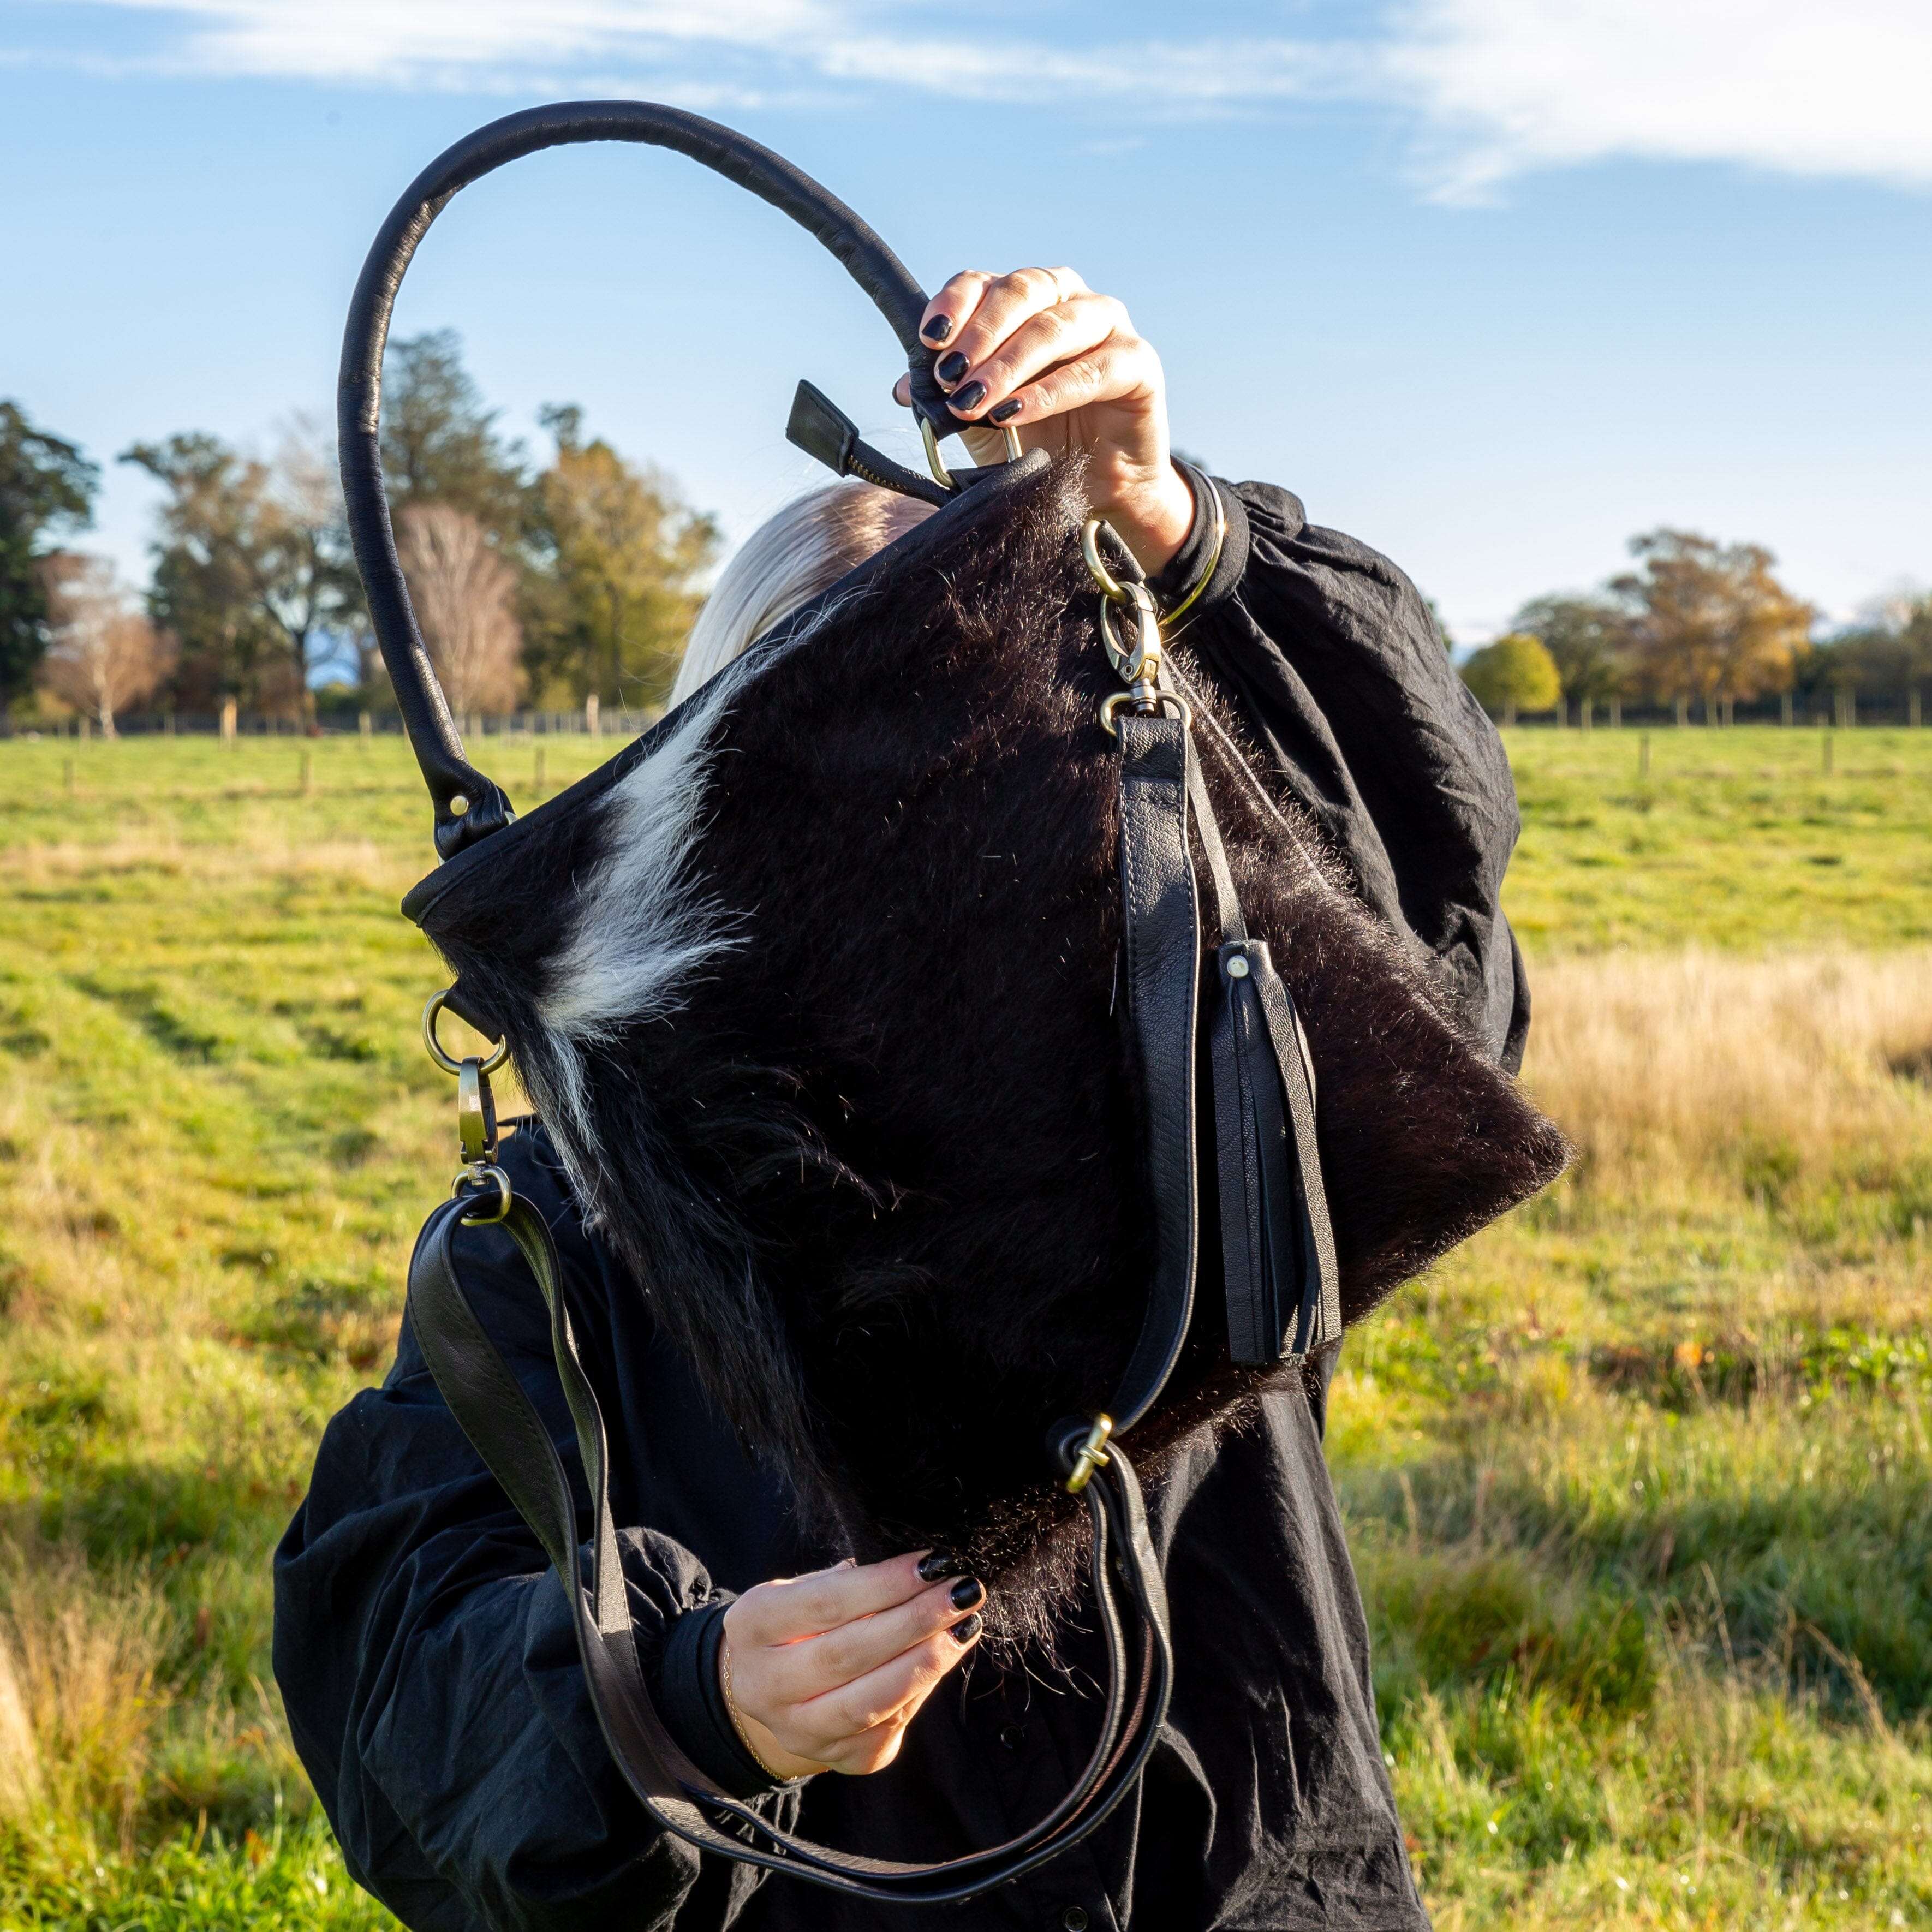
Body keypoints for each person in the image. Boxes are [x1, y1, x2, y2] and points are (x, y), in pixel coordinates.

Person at [276, 266, 1528, 1931]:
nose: (918, 866)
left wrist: (1172, 532)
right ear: (699, 805)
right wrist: (683, 1695)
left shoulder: (1196, 1084)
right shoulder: (572, 1218)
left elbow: (1429, 939)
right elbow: (393, 1693)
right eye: (836, 787)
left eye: (988, 772)